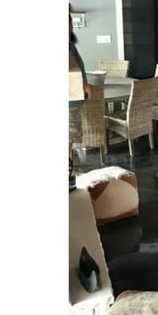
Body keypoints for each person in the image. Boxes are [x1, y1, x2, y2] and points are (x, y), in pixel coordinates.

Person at [69, 13, 92, 190]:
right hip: (69, 101)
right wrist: (84, 83)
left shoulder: (69, 44)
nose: (72, 27)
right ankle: (68, 174)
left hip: (73, 98)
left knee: (69, 138)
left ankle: (70, 168)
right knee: (68, 137)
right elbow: (72, 69)